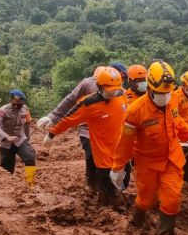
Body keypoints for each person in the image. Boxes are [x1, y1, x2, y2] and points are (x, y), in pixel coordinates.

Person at [110, 60, 188, 235]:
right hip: (147, 163)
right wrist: (118, 167)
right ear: (150, 88)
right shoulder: (135, 111)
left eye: (168, 92)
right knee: (146, 200)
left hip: (172, 159)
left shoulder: (172, 100)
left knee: (172, 198)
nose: (165, 96)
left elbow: (178, 123)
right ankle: (137, 222)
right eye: (161, 93)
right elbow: (125, 143)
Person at [43, 68, 127, 210]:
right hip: (103, 151)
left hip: (121, 149)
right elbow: (68, 119)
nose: (114, 92)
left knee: (123, 178)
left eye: (116, 89)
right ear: (99, 86)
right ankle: (118, 208)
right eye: (110, 89)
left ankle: (104, 200)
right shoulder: (88, 103)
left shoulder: (122, 95)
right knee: (109, 182)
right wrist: (52, 134)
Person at [0, 89, 37, 187]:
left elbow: (27, 123)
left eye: (19, 105)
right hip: (5, 142)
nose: (17, 107)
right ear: (11, 101)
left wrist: (27, 139)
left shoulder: (24, 109)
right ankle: (7, 188)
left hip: (20, 139)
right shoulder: (3, 110)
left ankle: (30, 183)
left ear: (23, 103)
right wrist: (7, 137)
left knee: (30, 157)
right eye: (15, 104)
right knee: (7, 168)